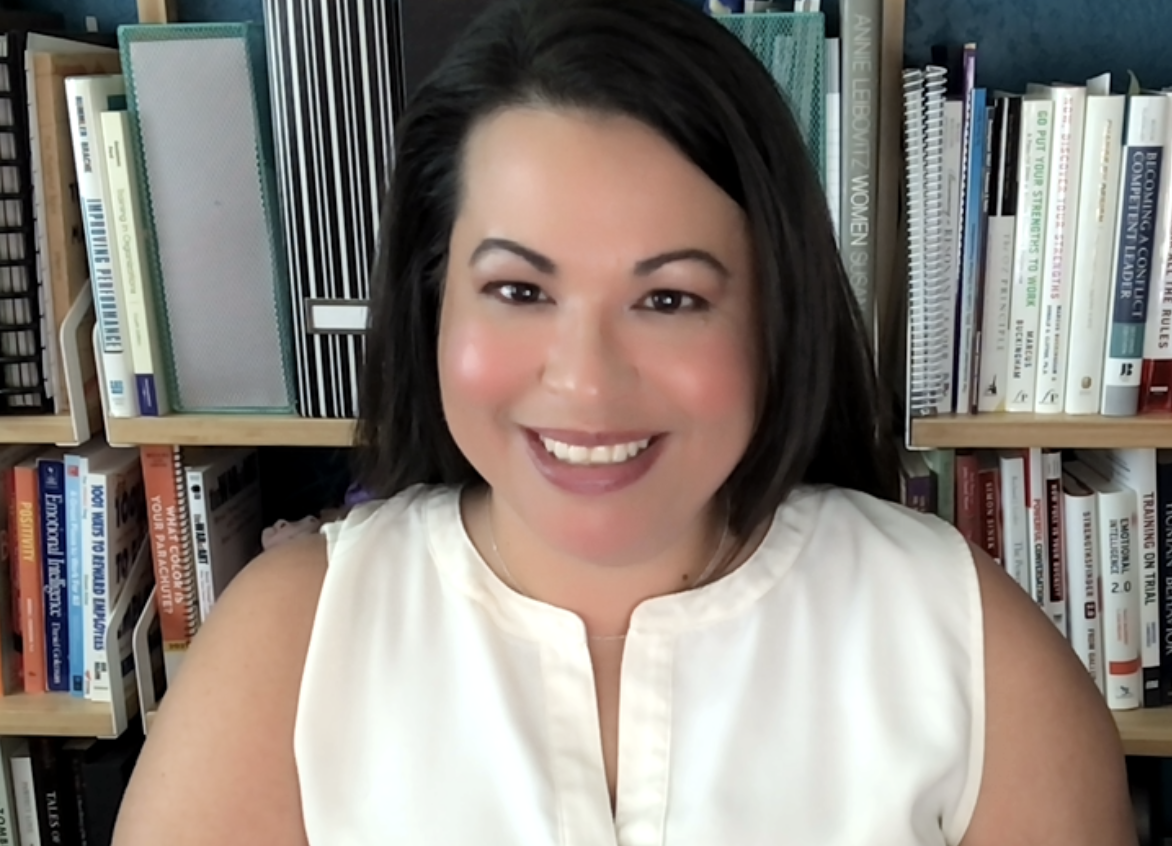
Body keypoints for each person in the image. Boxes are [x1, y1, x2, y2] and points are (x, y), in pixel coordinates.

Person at [112, 0, 1135, 843]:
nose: (587, 383)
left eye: (670, 298)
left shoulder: (963, 643)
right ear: (433, 305)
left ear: (774, 313)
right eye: (517, 291)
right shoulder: (295, 640)